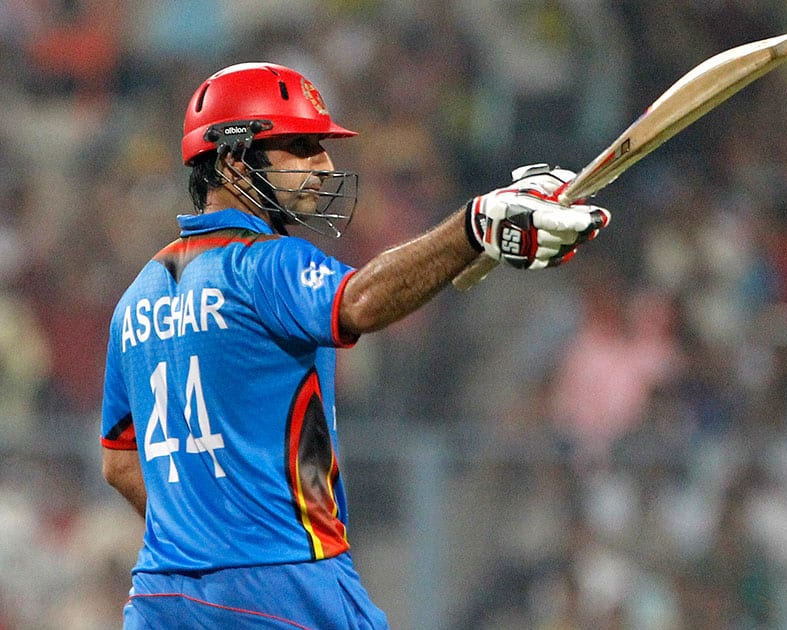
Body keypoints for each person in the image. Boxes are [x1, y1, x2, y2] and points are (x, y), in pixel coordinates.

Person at [99, 62, 610, 629]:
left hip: (161, 599)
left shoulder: (134, 301)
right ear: (232, 161)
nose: (325, 166)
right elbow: (359, 301)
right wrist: (476, 225)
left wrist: (202, 539)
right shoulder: (264, 263)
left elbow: (120, 466)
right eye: (302, 147)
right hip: (285, 585)